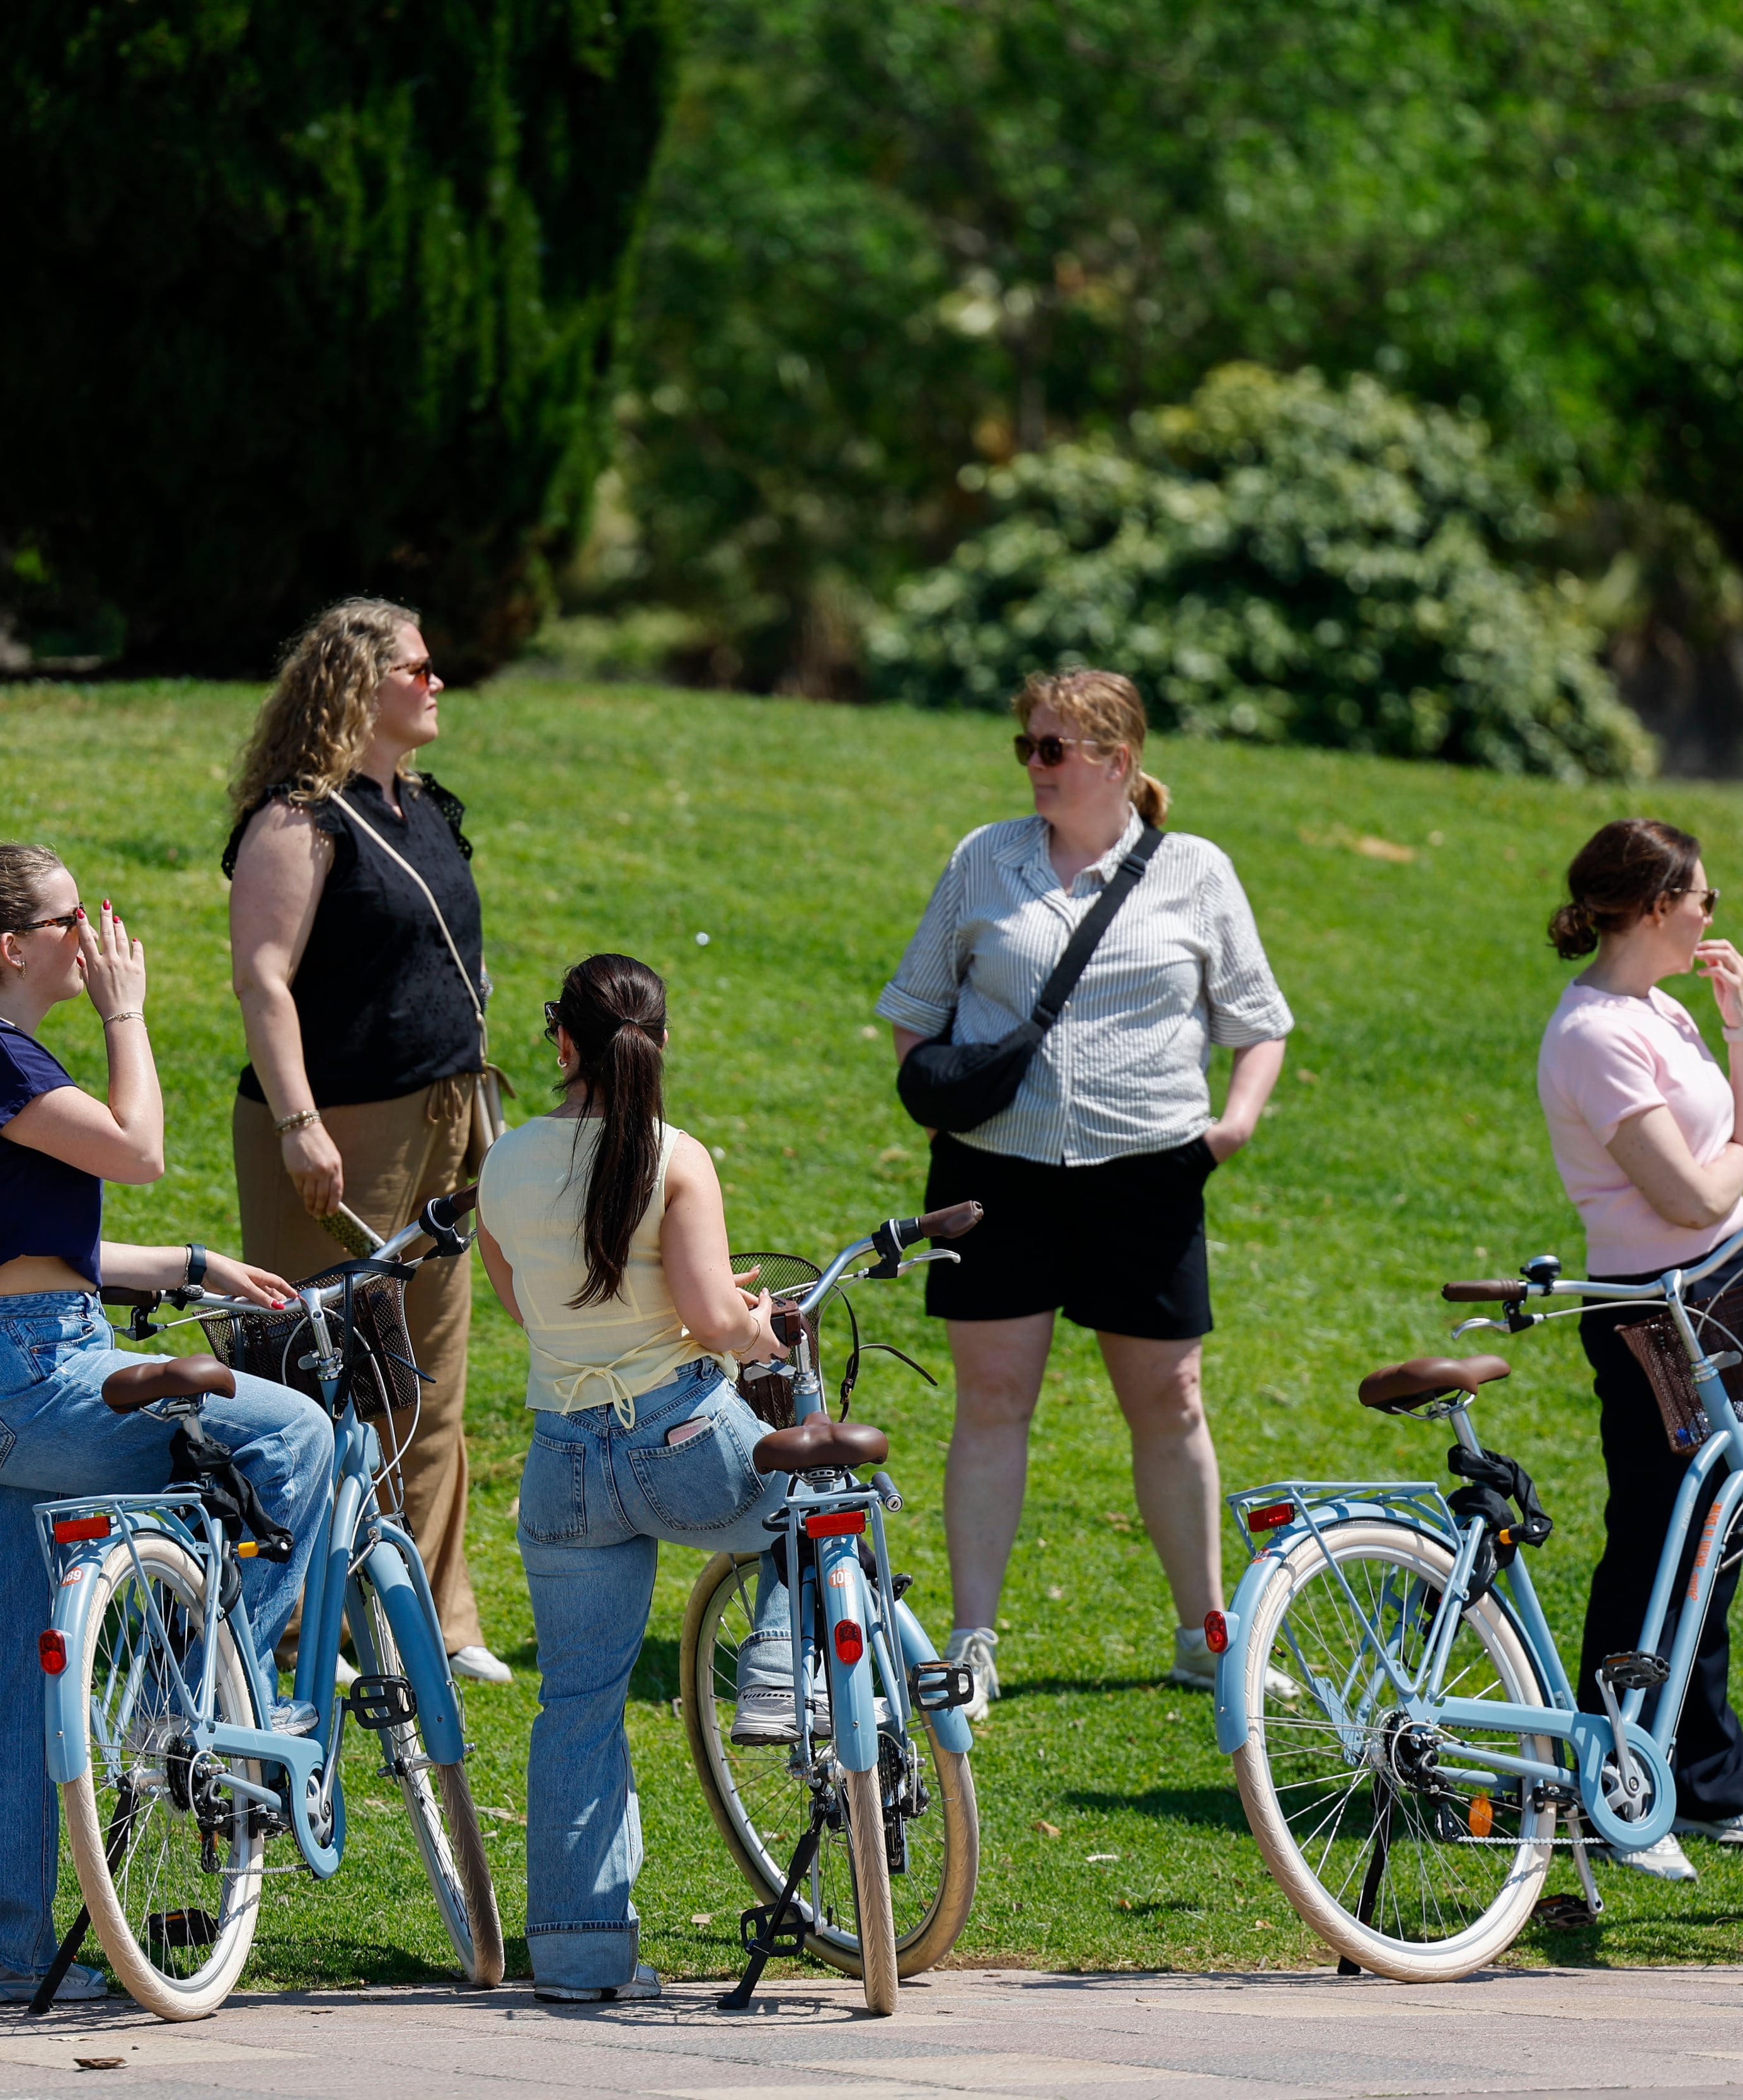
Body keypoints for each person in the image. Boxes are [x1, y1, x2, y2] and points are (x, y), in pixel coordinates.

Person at [0, 843, 331, 2007]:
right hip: (22, 1373)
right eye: (73, 916)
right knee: (292, 1438)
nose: (96, 935)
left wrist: (193, 1265)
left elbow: (34, 1249)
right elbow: (139, 1149)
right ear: (11, 946)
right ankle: (202, 1715)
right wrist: (132, 1017)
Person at [877, 668, 1293, 1718]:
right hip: (994, 1174)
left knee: (1173, 1401)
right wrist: (939, 1102)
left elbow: (1258, 1017)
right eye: (1028, 744)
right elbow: (917, 1003)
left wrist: (1233, 1124)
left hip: (1149, 1173)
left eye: (1054, 749)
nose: (1035, 766)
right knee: (994, 1399)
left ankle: (1207, 1634)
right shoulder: (985, 859)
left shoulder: (1195, 870)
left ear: (1118, 760)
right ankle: (973, 1643)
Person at [475, 954, 791, 2004]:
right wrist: (757, 1326)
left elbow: (526, 1305)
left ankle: (576, 1954)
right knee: (817, 1502)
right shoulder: (675, 1155)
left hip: (565, 1455)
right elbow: (710, 1321)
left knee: (578, 1703)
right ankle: (783, 1667)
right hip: (680, 1442)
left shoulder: (505, 1161)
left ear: (561, 1041)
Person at [224, 597, 505, 1684]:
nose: (437, 683)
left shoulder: (425, 804)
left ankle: (433, 1615)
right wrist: (298, 1119)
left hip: (443, 1114)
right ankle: (300, 1624)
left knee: (429, 1376)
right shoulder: (297, 820)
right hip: (337, 1125)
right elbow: (263, 978)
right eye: (419, 668)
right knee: (322, 1371)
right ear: (357, 682)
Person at [1539, 817, 1743, 1883]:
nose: (1711, 913)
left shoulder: (1664, 1014)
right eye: (1702, 897)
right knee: (1654, 1537)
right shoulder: (1597, 1033)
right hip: (1655, 1305)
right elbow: (1689, 1191)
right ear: (1655, 905)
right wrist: (1736, 1164)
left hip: (1721, 1285)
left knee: (1722, 1540)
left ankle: (1703, 1779)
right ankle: (1614, 1783)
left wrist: (1740, 1032)